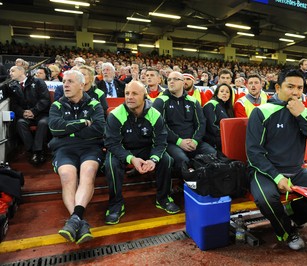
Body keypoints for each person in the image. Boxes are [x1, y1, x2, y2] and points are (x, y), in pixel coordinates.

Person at [246, 69, 307, 250]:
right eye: (290, 87)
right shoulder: (262, 112)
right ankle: (287, 231)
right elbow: (254, 153)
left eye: (300, 88)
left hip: (296, 171)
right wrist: (277, 177)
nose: (296, 92)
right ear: (277, 87)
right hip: (265, 172)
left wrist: (302, 116)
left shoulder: (305, 112)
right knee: (267, 199)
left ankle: (289, 213)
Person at [104, 81, 180, 224]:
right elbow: (112, 144)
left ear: (144, 96)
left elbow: (161, 142)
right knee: (110, 163)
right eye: (127, 93)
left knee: (166, 159)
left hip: (147, 149)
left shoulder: (155, 114)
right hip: (124, 149)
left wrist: (153, 159)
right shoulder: (115, 115)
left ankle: (163, 198)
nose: (129, 97)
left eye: (134, 93)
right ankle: (115, 204)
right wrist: (131, 158)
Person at [48, 70, 105, 244]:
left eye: (70, 81)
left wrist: (69, 131)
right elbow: (55, 129)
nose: (65, 85)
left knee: (88, 171)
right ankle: (79, 220)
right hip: (64, 148)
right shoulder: (56, 105)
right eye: (64, 81)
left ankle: (74, 221)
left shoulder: (95, 104)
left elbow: (99, 129)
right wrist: (81, 123)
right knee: (67, 175)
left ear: (81, 85)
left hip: (90, 147)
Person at [152, 71, 217, 174]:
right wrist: (179, 141)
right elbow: (160, 127)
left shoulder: (193, 101)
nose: (171, 82)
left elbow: (201, 123)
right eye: (169, 79)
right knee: (182, 160)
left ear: (183, 83)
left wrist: (195, 141)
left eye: (175, 79)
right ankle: (185, 186)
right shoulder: (160, 101)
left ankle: (205, 183)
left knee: (212, 153)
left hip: (193, 141)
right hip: (171, 142)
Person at [8, 65, 50, 165]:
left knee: (43, 123)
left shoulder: (38, 82)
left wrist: (34, 111)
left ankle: (38, 151)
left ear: (21, 72)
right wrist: (23, 113)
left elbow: (45, 99)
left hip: (41, 113)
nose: (10, 73)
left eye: (12, 71)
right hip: (25, 115)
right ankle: (33, 151)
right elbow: (14, 104)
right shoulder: (12, 86)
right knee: (20, 123)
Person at [203, 83, 235, 150]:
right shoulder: (211, 104)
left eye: (227, 92)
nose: (224, 93)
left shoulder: (227, 108)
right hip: (213, 140)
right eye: (222, 91)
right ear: (217, 93)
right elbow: (211, 126)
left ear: (230, 95)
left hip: (224, 138)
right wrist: (226, 135)